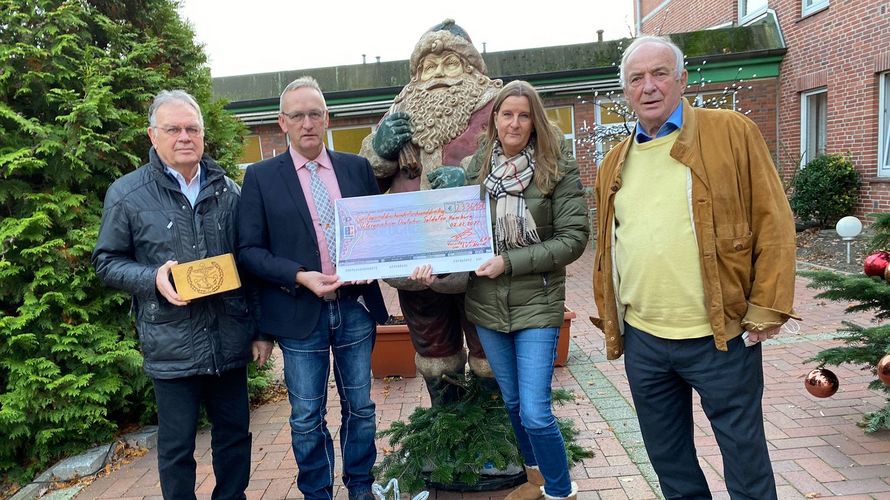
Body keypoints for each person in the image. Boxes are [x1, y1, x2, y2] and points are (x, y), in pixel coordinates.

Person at [592, 35, 799, 500]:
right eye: (636, 78)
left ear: (682, 79)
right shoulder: (613, 162)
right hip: (645, 339)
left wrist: (767, 306)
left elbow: (774, 221)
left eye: (660, 73)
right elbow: (610, 245)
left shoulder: (731, 132)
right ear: (624, 90)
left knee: (746, 462)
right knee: (672, 466)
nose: (648, 86)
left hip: (720, 335)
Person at [92, 90, 271, 500]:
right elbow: (106, 261)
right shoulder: (127, 194)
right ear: (153, 136)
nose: (184, 137)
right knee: (176, 449)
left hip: (227, 339)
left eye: (192, 128)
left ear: (203, 136)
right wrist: (151, 277)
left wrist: (260, 331)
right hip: (170, 344)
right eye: (173, 129)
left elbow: (250, 265)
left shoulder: (229, 191)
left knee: (234, 438)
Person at [237, 76, 388, 500]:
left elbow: (378, 232)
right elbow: (248, 250)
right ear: (282, 122)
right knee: (306, 415)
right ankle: (316, 492)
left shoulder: (356, 169)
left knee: (362, 408)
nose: (308, 123)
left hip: (355, 307)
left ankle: (361, 486)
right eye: (298, 115)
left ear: (327, 118)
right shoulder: (262, 178)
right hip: (298, 310)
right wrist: (300, 275)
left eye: (315, 114)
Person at [359, 19, 503, 404]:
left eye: (450, 64)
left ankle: (493, 435)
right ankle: (447, 434)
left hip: (478, 260)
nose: (438, 74)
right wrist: (379, 150)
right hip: (416, 259)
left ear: (472, 68)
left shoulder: (495, 108)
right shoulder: (396, 113)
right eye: (429, 67)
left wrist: (472, 179)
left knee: (488, 345)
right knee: (433, 346)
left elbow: (519, 169)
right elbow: (362, 185)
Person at [462, 80, 588, 500]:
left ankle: (560, 490)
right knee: (513, 404)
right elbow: (455, 231)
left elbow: (573, 238)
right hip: (487, 305)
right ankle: (535, 477)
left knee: (535, 412)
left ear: (535, 120)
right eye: (506, 114)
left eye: (523, 114)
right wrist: (433, 262)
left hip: (538, 302)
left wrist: (509, 261)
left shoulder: (557, 167)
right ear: (494, 119)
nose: (514, 123)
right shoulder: (475, 169)